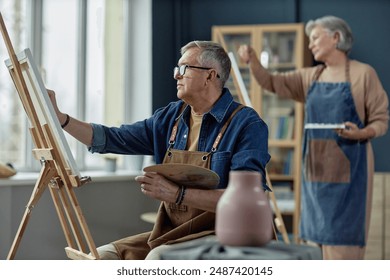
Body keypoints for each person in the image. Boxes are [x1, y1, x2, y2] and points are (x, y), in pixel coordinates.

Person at [49, 40, 270, 259]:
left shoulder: (247, 124)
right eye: (177, 69)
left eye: (184, 68)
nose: (176, 75)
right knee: (102, 257)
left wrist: (177, 194)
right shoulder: (170, 117)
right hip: (174, 235)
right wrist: (62, 120)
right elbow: (111, 138)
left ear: (210, 76)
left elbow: (246, 201)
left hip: (228, 236)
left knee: (158, 259)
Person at [238, 15, 389, 260]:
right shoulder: (311, 77)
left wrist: (362, 133)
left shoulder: (364, 74)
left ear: (336, 37)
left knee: (343, 250)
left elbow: (381, 120)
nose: (310, 45)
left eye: (316, 38)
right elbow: (272, 82)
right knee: (312, 248)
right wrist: (253, 61)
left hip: (351, 174)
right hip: (314, 173)